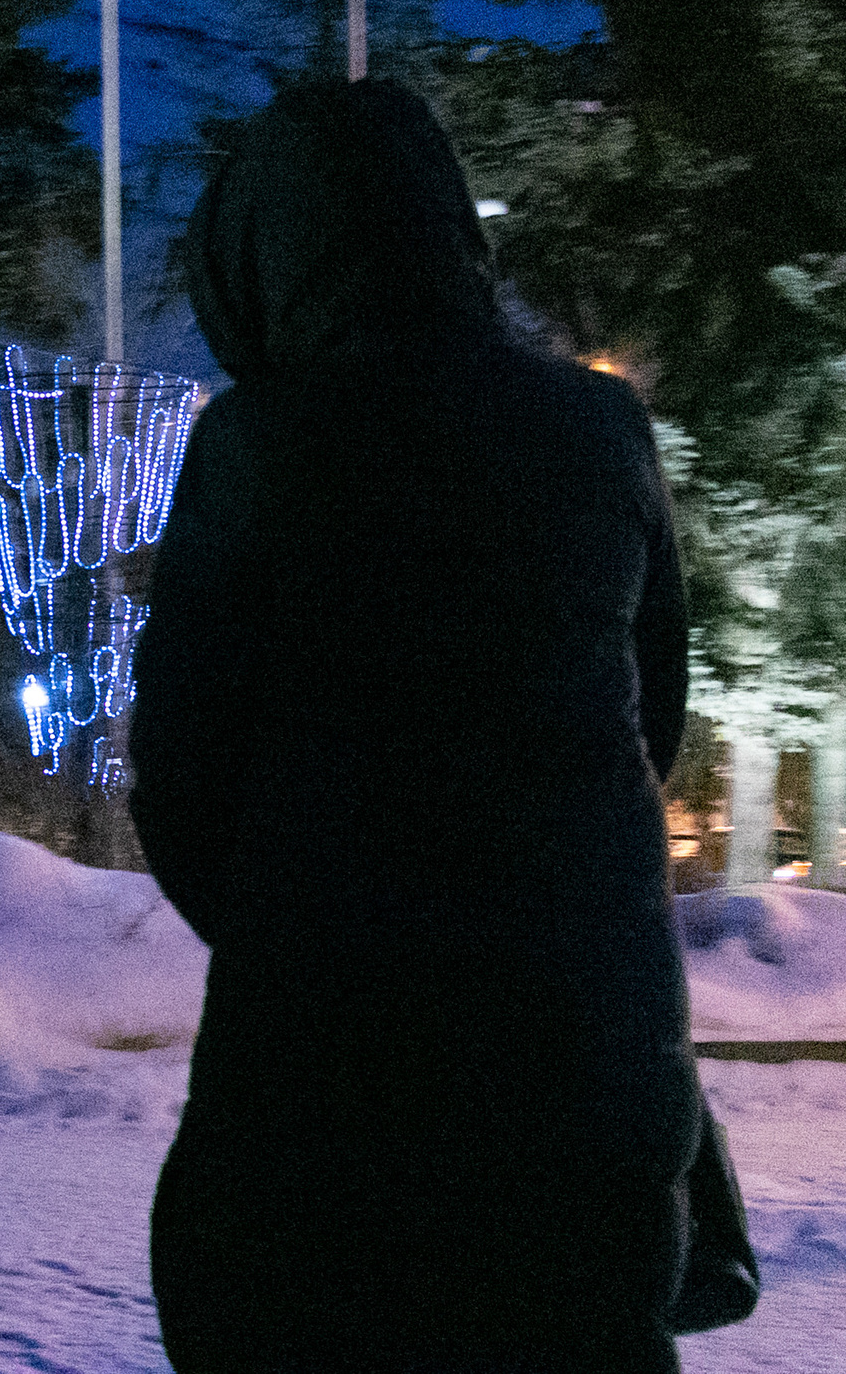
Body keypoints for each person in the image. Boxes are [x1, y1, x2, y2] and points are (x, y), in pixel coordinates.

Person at [126, 79, 700, 1373]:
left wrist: (311, 914)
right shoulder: (599, 428)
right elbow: (645, 717)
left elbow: (183, 779)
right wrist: (546, 876)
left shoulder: (259, 445)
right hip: (587, 1066)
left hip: (327, 1089)